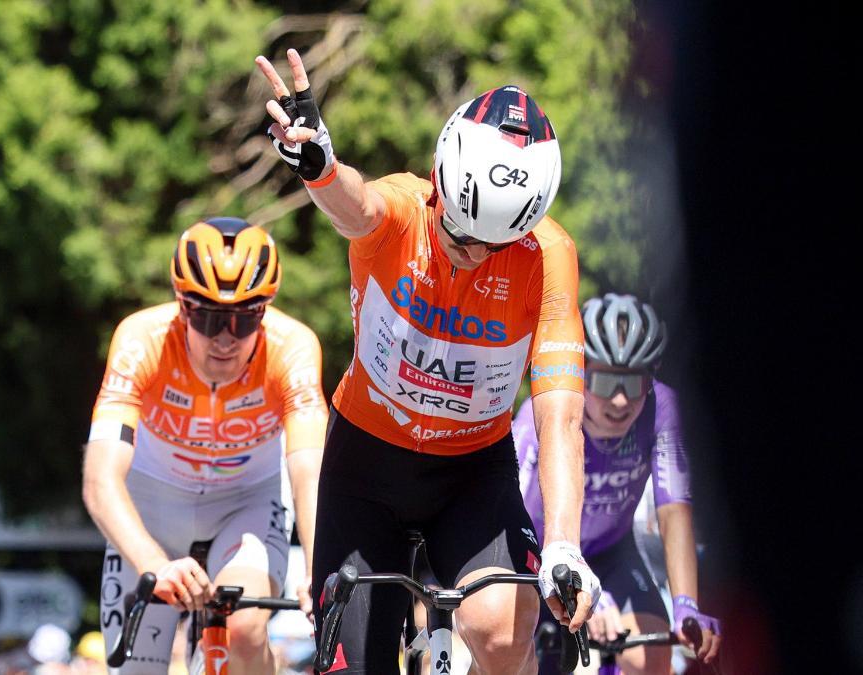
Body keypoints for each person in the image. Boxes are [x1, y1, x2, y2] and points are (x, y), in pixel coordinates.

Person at [254, 49, 600, 674]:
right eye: (464, 234)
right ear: (441, 183)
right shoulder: (403, 210)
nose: (476, 255)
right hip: (366, 465)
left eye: (496, 243)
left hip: (472, 475)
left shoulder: (548, 256)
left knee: (503, 633)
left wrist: (566, 546)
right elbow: (354, 205)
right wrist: (321, 168)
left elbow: (560, 415)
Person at [83, 218, 328, 674]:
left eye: (244, 318)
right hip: (152, 509)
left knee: (244, 629)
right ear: (181, 306)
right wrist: (155, 563)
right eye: (208, 317)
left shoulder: (292, 346)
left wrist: (319, 568)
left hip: (247, 503)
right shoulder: (142, 340)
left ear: (265, 311)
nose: (225, 338)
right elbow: (100, 480)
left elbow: (308, 470)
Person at [515, 294, 722, 674]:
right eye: (607, 380)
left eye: (636, 381)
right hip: (536, 557)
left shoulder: (663, 409)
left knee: (654, 658)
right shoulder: (539, 414)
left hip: (612, 552)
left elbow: (675, 509)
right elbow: (514, 517)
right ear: (580, 370)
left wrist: (686, 605)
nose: (622, 399)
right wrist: (572, 586)